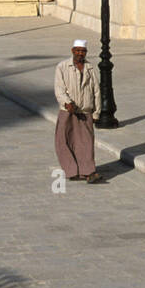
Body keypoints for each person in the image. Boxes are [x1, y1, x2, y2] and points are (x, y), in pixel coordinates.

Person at [54, 39, 104, 184]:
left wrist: (96, 112)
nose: (80, 54)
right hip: (67, 111)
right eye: (77, 51)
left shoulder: (90, 68)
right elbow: (59, 89)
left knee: (86, 143)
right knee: (64, 141)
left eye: (82, 51)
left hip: (85, 110)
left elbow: (96, 91)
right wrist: (67, 103)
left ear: (86, 53)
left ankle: (89, 172)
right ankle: (71, 170)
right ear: (72, 51)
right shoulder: (62, 67)